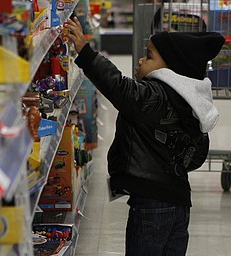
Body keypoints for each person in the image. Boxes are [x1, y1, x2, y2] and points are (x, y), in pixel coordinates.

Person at [64, 17, 224, 255]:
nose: (140, 60)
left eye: (148, 56)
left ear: (171, 70)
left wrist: (86, 54)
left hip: (150, 204)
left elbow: (119, 87)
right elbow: (197, 156)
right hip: (180, 203)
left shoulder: (154, 96)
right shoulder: (192, 106)